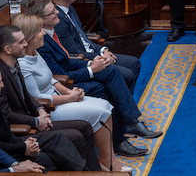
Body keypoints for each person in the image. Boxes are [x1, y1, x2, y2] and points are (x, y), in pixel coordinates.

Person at [24, 0, 161, 157]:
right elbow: (60, 74)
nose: (57, 13)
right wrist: (91, 70)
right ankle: (121, 136)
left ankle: (127, 123)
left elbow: (68, 61)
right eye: (52, 11)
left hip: (69, 76)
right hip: (66, 86)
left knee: (113, 71)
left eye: (55, 8)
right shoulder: (41, 43)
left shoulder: (49, 32)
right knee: (106, 87)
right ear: (40, 20)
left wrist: (92, 63)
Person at [14, 14, 130, 172]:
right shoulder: (23, 63)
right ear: (29, 37)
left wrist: (70, 91)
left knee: (106, 106)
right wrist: (69, 98)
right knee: (99, 111)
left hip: (60, 97)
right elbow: (37, 98)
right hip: (50, 108)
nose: (43, 33)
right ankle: (108, 164)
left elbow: (52, 80)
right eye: (39, 30)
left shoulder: (35, 52)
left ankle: (108, 161)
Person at [0, 24, 100, 171]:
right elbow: (6, 115)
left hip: (33, 120)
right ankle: (86, 173)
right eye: (21, 42)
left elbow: (26, 95)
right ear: (8, 49)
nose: (26, 44)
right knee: (74, 136)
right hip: (21, 131)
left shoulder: (14, 63)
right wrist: (35, 122)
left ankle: (96, 172)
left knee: (85, 127)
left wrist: (40, 109)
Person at [45, 0, 141, 92]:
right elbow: (73, 52)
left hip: (93, 53)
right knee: (127, 74)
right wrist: (99, 57)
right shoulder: (58, 20)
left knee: (134, 63)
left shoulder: (70, 8)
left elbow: (84, 39)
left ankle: (124, 102)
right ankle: (121, 105)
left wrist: (103, 50)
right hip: (85, 61)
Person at [0, 63, 87, 171]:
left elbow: (6, 135)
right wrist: (22, 149)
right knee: (47, 160)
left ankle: (89, 172)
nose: (2, 85)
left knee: (58, 139)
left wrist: (25, 144)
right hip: (7, 153)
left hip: (14, 144)